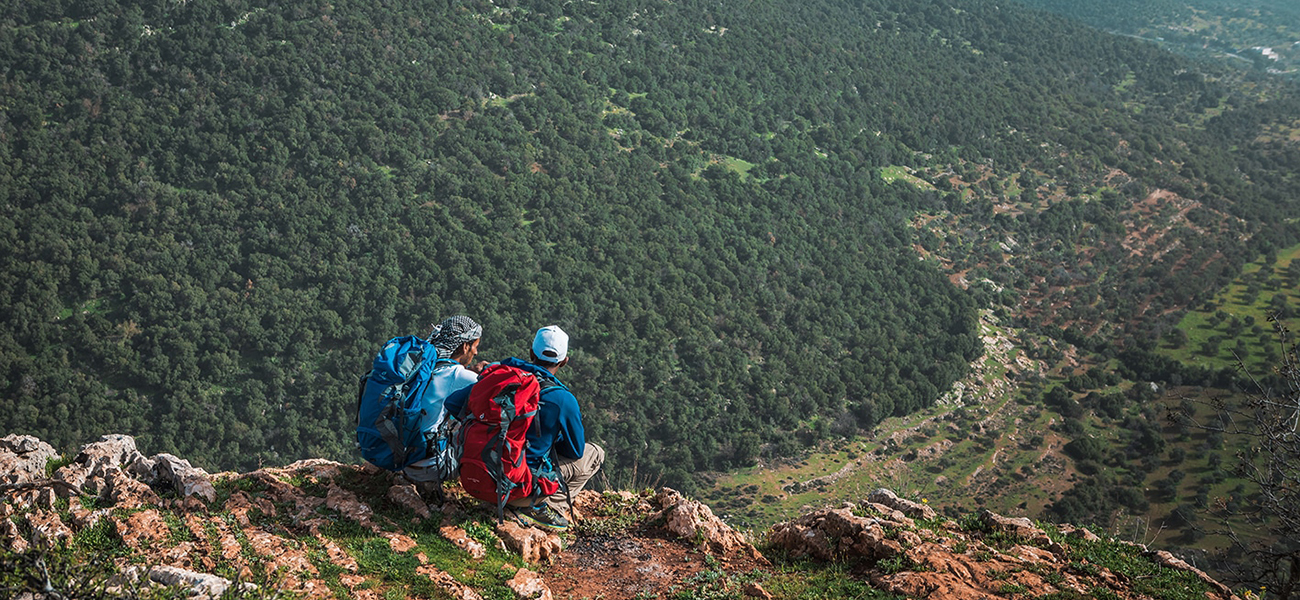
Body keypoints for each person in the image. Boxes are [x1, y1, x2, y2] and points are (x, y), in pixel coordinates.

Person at [444, 325, 604, 531]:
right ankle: (543, 507)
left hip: (475, 478)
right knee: (594, 453)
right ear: (564, 361)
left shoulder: (500, 377)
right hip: (517, 487)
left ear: (531, 353)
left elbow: (453, 404)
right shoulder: (563, 399)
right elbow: (575, 451)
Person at [403, 315, 485, 488]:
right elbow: (492, 389)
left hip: (402, 458)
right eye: (475, 346)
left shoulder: (422, 364)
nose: (476, 353)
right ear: (465, 346)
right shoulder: (458, 375)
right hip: (430, 467)